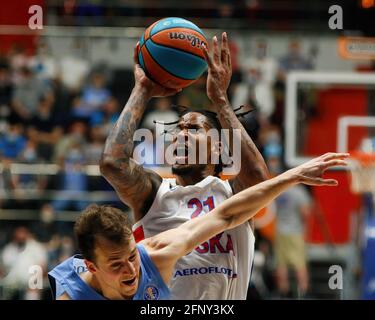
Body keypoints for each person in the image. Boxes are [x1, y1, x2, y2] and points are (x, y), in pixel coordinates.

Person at [100, 32, 269, 299]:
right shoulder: (154, 195)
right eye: (178, 129)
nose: (181, 134)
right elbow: (112, 163)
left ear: (217, 146)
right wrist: (142, 89)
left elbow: (259, 177)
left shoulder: (233, 196)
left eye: (193, 128)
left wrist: (220, 101)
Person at [48, 152, 349, 300]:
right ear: (91, 266)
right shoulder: (72, 294)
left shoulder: (154, 256)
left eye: (130, 255)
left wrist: (294, 175)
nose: (130, 269)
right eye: (116, 264)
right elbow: (111, 162)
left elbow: (227, 215)